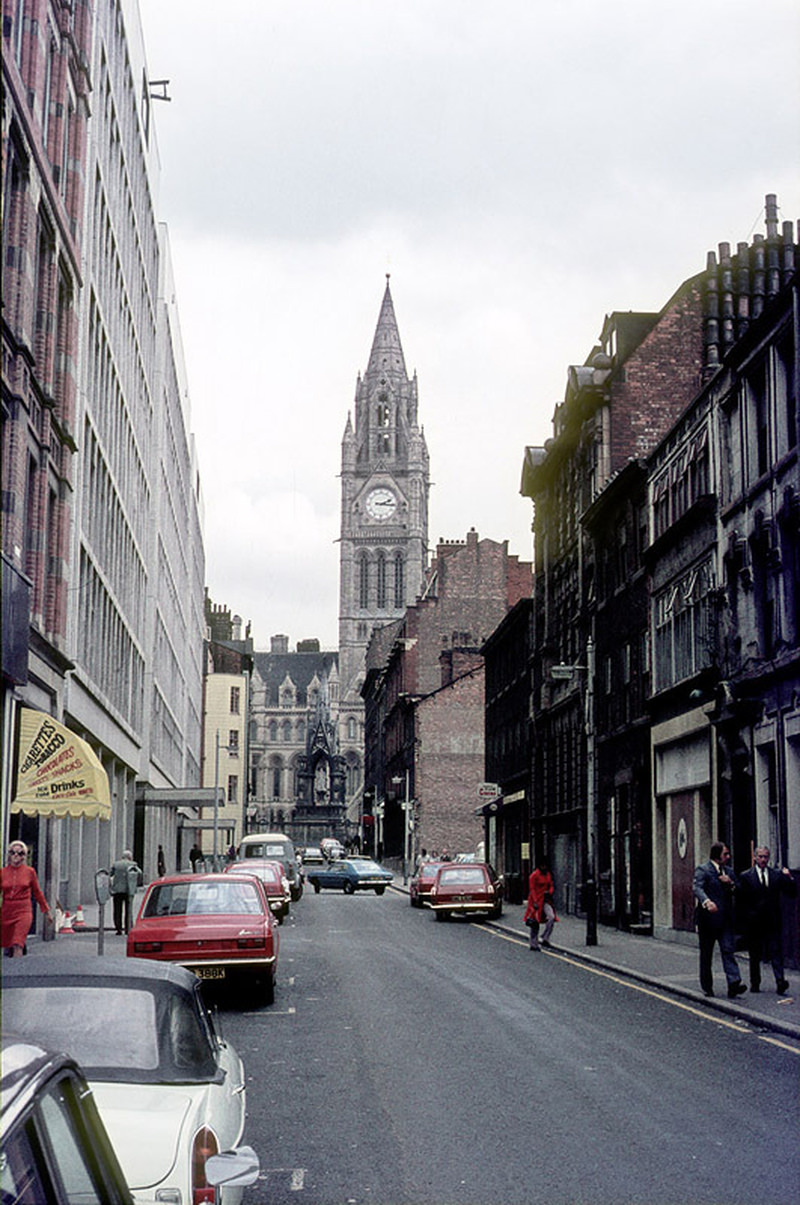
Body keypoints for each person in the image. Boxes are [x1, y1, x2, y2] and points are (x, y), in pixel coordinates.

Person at [738, 846, 796, 995]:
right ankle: (755, 983)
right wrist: (744, 921)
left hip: (772, 921)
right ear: (755, 857)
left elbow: (791, 892)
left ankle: (780, 981)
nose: (763, 860)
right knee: (755, 954)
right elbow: (741, 901)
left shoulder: (776, 875)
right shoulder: (746, 876)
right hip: (754, 922)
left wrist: (789, 877)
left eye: (766, 857)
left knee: (776, 952)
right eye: (761, 857)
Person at [693, 841, 746, 999]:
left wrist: (730, 883)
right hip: (707, 920)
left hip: (725, 920)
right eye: (725, 854)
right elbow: (697, 888)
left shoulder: (728, 871)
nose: (728, 857)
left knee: (728, 950)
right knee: (706, 954)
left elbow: (739, 890)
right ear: (717, 856)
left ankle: (734, 983)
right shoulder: (703, 870)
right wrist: (707, 902)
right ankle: (707, 987)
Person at [1, 841, 51, 957]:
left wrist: (46, 911)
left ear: (24, 856)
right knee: (8, 944)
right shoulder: (3, 872)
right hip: (7, 910)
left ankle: (18, 971)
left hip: (23, 910)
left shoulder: (30, 872)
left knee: (17, 942)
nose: (16, 856)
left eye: (20, 853)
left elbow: (37, 892)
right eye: (13, 852)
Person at [524, 857, 558, 951]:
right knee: (535, 923)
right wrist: (535, 902)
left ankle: (545, 937)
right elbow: (532, 889)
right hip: (536, 901)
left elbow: (551, 885)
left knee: (551, 917)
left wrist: (550, 892)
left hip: (545, 900)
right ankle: (533, 943)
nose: (544, 867)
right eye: (542, 866)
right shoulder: (534, 876)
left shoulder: (548, 874)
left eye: (545, 866)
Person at [110, 849, 140, 936]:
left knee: (117, 910)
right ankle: (128, 928)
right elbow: (139, 873)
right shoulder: (133, 864)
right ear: (130, 857)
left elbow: (110, 874)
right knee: (128, 910)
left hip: (117, 890)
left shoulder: (116, 864)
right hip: (128, 890)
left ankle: (118, 928)